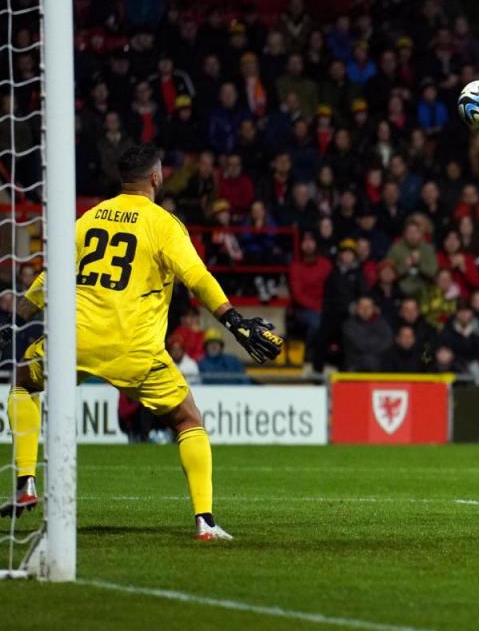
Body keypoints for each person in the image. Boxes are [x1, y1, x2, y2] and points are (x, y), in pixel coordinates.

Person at [0, 145, 283, 540]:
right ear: (156, 177)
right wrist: (232, 319)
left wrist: (16, 318)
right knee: (187, 419)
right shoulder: (164, 224)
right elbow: (197, 277)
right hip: (134, 348)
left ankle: (26, 482)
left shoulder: (88, 219)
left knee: (23, 382)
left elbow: (50, 277)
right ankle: (205, 521)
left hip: (75, 341)